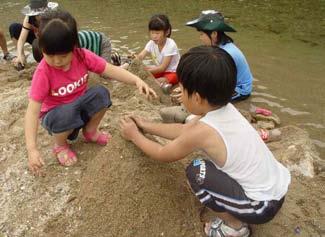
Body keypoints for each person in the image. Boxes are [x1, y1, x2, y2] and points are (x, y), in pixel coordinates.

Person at [120, 46, 290, 237]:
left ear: (198, 98)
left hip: (261, 206)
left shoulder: (204, 130)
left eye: (182, 89)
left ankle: (235, 228)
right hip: (276, 190)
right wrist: (146, 126)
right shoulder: (225, 109)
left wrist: (134, 135)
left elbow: (162, 154)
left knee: (196, 170)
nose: (179, 92)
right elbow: (184, 130)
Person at [25, 11, 157, 176]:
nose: (57, 61)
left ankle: (91, 132)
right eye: (50, 55)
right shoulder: (43, 72)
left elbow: (110, 70)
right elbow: (32, 111)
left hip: (79, 107)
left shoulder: (82, 56)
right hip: (56, 116)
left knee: (101, 93)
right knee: (66, 112)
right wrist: (32, 149)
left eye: (63, 56)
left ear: (74, 47)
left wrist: (137, 80)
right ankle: (60, 144)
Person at [31, 9, 121, 65]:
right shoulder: (61, 43)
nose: (56, 61)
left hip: (102, 43)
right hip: (90, 44)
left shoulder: (70, 45)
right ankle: (112, 59)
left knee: (105, 74)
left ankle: (124, 65)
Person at [136, 14, 180, 93]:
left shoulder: (171, 45)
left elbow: (162, 68)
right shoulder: (151, 43)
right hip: (160, 70)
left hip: (173, 72)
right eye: (152, 33)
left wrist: (146, 71)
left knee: (158, 80)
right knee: (145, 73)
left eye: (157, 33)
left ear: (167, 32)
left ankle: (165, 86)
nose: (154, 36)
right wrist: (135, 59)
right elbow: (141, 55)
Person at [9, 0, 58, 69]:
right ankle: (22, 59)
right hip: (36, 37)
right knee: (14, 27)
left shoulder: (52, 17)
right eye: (37, 14)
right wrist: (19, 55)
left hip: (50, 40)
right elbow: (22, 39)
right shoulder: (29, 17)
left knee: (36, 45)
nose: (40, 16)